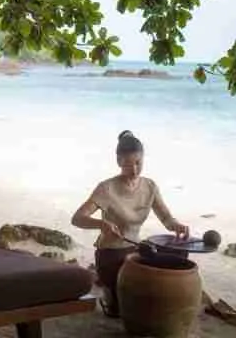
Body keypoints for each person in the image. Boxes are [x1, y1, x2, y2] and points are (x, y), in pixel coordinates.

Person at [71, 130, 189, 317]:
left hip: (135, 250)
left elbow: (166, 218)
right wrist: (102, 225)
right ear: (119, 162)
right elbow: (77, 218)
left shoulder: (150, 186)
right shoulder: (106, 188)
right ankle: (109, 293)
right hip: (110, 254)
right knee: (118, 313)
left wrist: (176, 226)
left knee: (178, 255)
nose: (134, 170)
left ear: (143, 159)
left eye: (138, 163)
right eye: (128, 164)